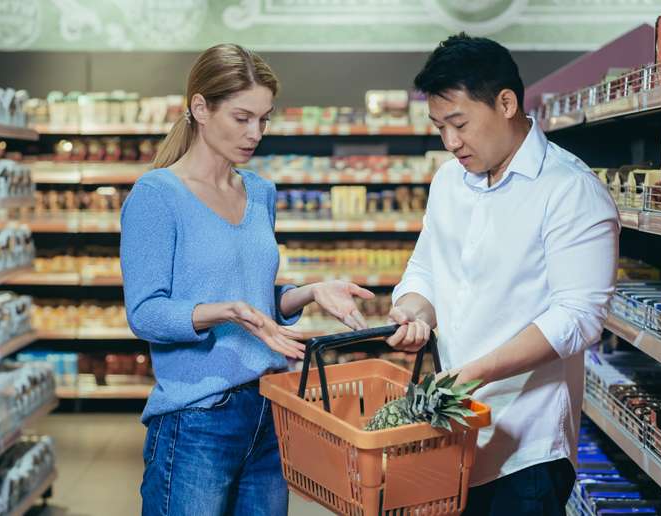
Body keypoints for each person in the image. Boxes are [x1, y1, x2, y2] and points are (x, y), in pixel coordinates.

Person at [120, 43, 374, 516]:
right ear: (200, 108)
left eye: (264, 119)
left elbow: (258, 298)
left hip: (269, 409)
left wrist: (310, 292)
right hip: (196, 418)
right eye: (242, 117)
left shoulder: (260, 191)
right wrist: (222, 311)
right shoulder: (156, 196)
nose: (255, 132)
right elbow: (146, 313)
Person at [385, 33, 619, 515]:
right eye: (439, 127)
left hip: (526, 451)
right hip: (452, 431)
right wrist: (413, 310)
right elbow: (426, 268)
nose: (450, 142)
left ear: (506, 103)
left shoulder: (570, 191)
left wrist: (475, 373)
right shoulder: (449, 181)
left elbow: (579, 317)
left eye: (459, 123)